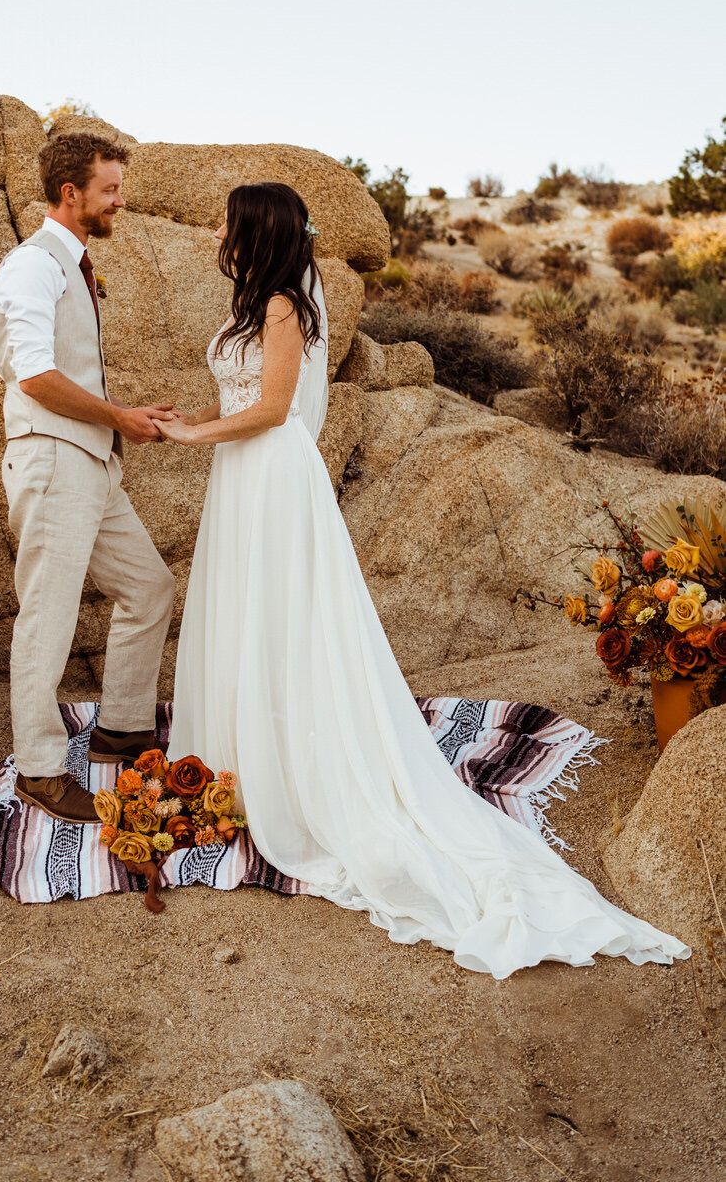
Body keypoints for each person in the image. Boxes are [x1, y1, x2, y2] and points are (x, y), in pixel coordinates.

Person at [159, 181, 689, 978]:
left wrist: (195, 433)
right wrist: (191, 419)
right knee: (246, 613)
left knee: (280, 615)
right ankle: (238, 755)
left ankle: (291, 773)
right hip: (240, 474)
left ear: (255, 233)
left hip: (269, 473)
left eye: (225, 225)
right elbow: (241, 399)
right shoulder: (251, 305)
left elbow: (271, 410)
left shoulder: (280, 307)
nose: (215, 237)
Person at [0, 131, 176, 824]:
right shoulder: (32, 266)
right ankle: (38, 769)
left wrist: (117, 423)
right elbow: (34, 376)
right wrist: (121, 417)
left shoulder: (72, 263)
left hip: (92, 462)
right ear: (71, 194)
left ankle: (122, 727)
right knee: (48, 612)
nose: (119, 202)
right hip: (53, 458)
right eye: (110, 190)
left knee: (149, 586)